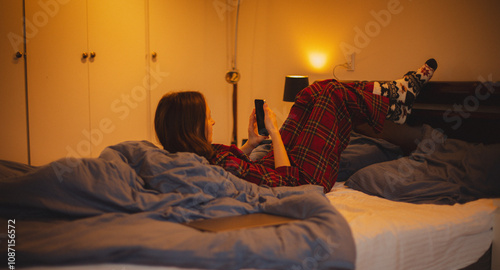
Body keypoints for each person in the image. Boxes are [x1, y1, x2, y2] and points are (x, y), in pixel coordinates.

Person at [154, 59, 438, 192]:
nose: (213, 121)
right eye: (207, 117)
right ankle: (395, 101)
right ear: (191, 126)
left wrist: (252, 142)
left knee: (312, 91)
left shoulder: (190, 157)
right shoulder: (208, 163)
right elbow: (289, 183)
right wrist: (274, 134)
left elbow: (233, 166)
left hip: (277, 166)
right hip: (304, 178)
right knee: (333, 94)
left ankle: (397, 98)